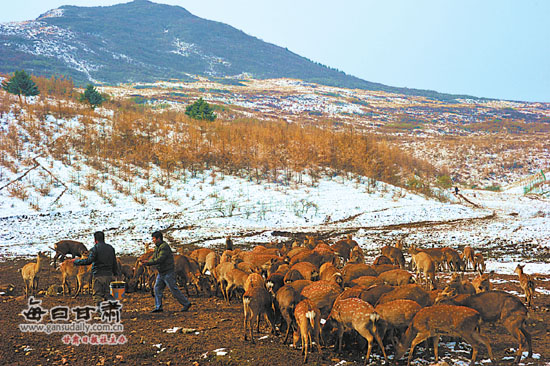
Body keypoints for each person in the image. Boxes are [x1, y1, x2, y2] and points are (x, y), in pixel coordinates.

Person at [141, 231, 191, 313]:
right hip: (162, 272)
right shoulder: (158, 247)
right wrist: (148, 261)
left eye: (154, 239)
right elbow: (154, 257)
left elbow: (161, 259)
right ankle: (158, 307)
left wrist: (149, 263)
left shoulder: (164, 247)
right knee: (157, 288)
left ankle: (186, 303)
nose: (153, 240)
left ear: (158, 239)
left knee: (173, 289)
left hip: (168, 272)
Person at [73, 231, 118, 306]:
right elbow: (114, 262)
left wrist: (76, 261)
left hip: (98, 275)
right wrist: (115, 273)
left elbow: (89, 261)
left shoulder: (95, 249)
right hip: (109, 275)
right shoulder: (111, 248)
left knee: (97, 296)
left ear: (95, 240)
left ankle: (101, 312)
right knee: (108, 294)